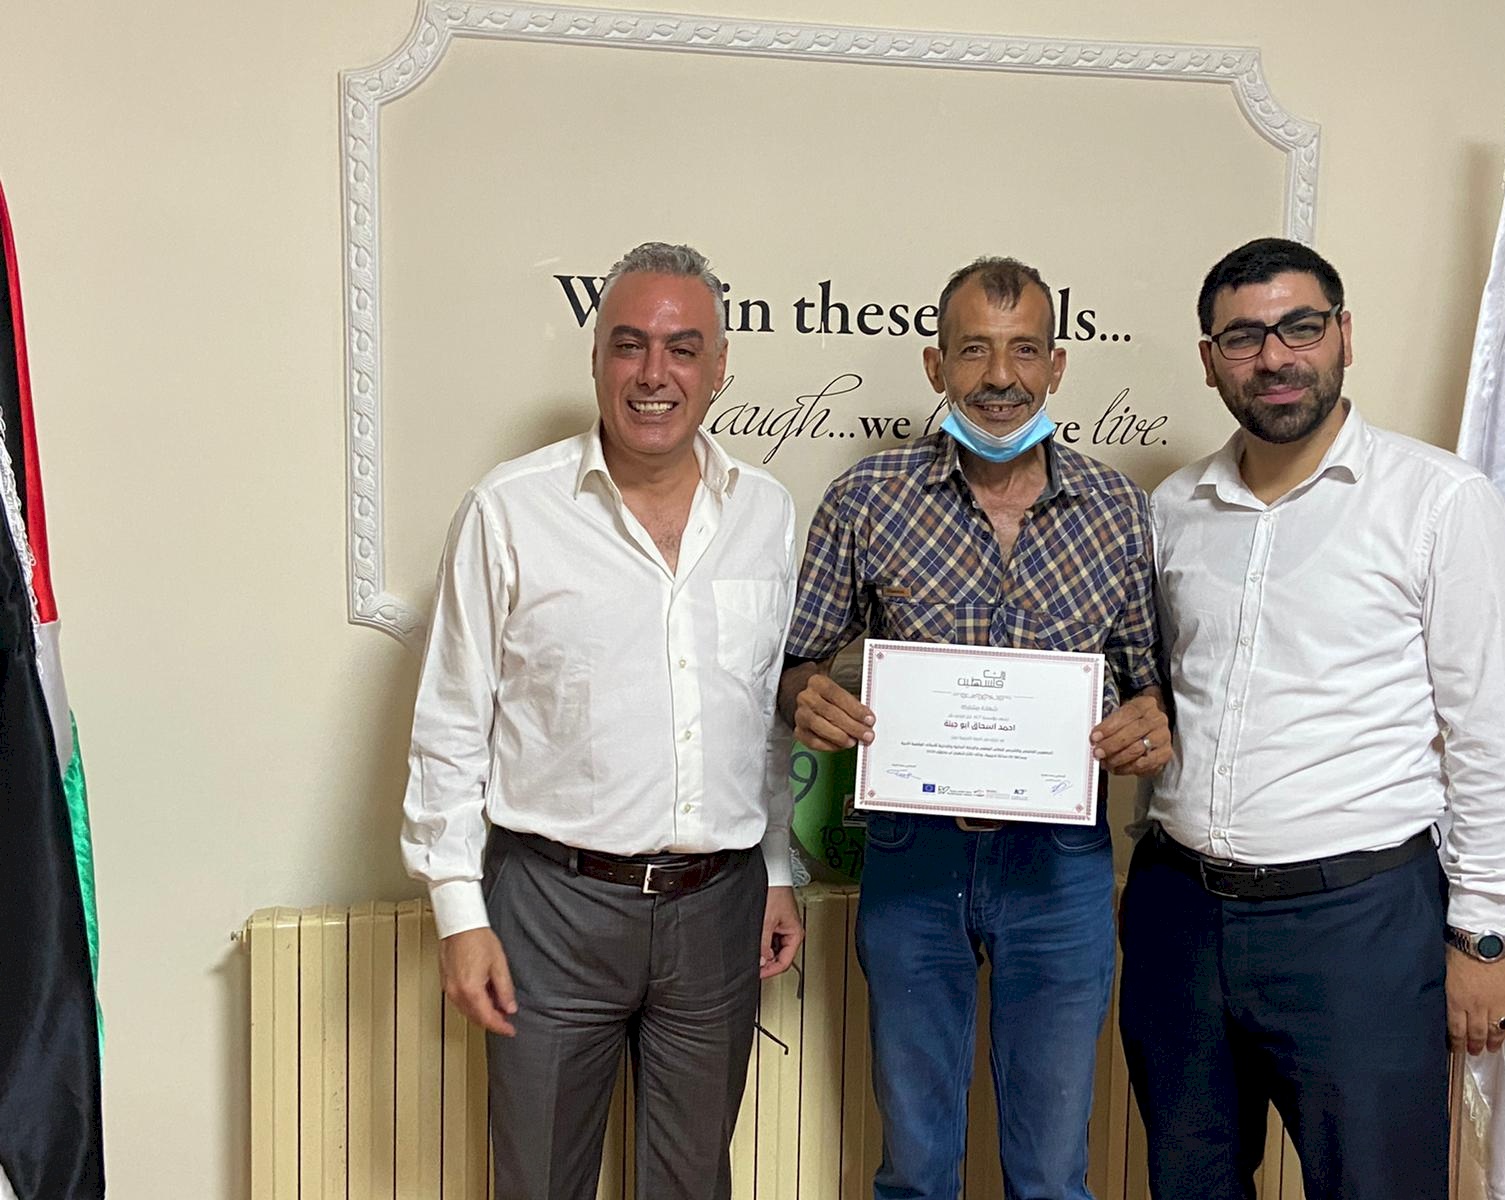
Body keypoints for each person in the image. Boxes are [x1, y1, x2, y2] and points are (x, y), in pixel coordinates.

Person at [1119, 237, 1505, 1200]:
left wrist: (1485, 934)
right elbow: (1158, 694)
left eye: (1300, 327)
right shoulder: (1174, 507)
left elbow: (1495, 727)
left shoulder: (1438, 501)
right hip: (1179, 917)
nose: (1274, 357)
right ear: (1209, 360)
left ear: (1344, 336)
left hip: (1359, 926)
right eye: (1243, 338)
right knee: (1189, 1183)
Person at [400, 241, 804, 1200]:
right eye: (630, 345)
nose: (654, 373)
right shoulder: (509, 510)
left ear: (718, 368)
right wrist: (459, 910)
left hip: (720, 911)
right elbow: (450, 722)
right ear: (596, 359)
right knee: (540, 1182)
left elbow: (763, 718)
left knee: (694, 1184)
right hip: (552, 909)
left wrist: (780, 869)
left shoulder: (769, 514)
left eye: (682, 348)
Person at [780, 256, 1171, 1200]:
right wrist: (802, 695)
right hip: (913, 859)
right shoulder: (867, 499)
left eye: (1024, 350)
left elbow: (1150, 687)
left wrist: (1150, 721)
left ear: (1057, 366)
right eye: (974, 351)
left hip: (1060, 869)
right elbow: (791, 663)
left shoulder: (1119, 511)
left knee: (1052, 1171)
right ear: (935, 365)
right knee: (915, 1168)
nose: (1001, 377)